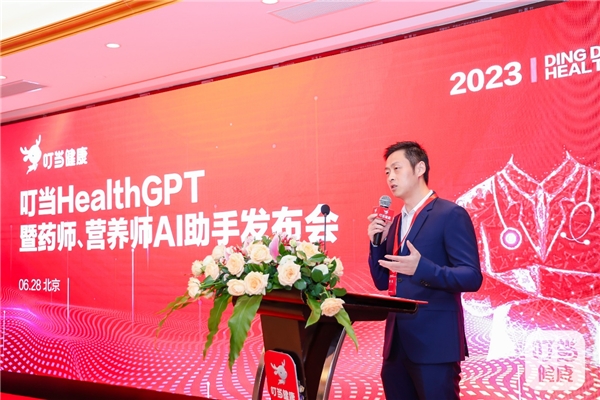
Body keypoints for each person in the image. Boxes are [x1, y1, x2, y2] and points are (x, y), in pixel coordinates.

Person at [367, 141, 482, 400]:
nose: (390, 177)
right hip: (396, 346)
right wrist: (376, 243)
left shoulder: (450, 214)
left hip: (435, 345)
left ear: (419, 168)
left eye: (397, 168)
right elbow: (382, 281)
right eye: (387, 172)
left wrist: (423, 269)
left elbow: (472, 276)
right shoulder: (395, 222)